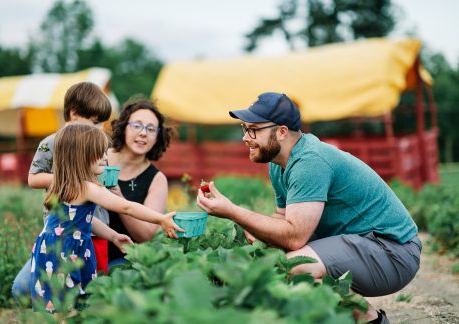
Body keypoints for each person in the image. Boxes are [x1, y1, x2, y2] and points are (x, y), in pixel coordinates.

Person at [197, 92, 421, 324]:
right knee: (275, 258)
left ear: (282, 132)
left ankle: (372, 321)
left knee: (298, 266)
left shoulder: (309, 161)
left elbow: (294, 236)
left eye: (253, 129)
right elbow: (283, 219)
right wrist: (253, 233)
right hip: (365, 244)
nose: (245, 137)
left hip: (393, 251)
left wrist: (233, 211)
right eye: (245, 128)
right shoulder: (279, 163)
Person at [30, 124, 182, 313]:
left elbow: (83, 220)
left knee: (60, 304)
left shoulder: (65, 184)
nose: (105, 157)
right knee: (70, 307)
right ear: (81, 156)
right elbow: (126, 207)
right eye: (99, 153)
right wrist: (160, 219)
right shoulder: (87, 187)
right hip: (65, 252)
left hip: (54, 247)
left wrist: (113, 236)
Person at [12, 82, 113, 302]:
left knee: (92, 284)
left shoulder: (98, 143)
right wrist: (69, 179)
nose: (100, 129)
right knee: (59, 284)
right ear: (75, 114)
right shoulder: (51, 143)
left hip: (96, 225)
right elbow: (33, 178)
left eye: (102, 124)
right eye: (96, 123)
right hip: (63, 230)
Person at [105, 98, 176, 269]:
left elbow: (146, 236)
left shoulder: (156, 180)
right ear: (123, 127)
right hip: (82, 248)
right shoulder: (99, 158)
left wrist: (119, 198)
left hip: (122, 259)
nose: (143, 133)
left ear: (157, 136)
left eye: (151, 129)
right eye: (137, 125)